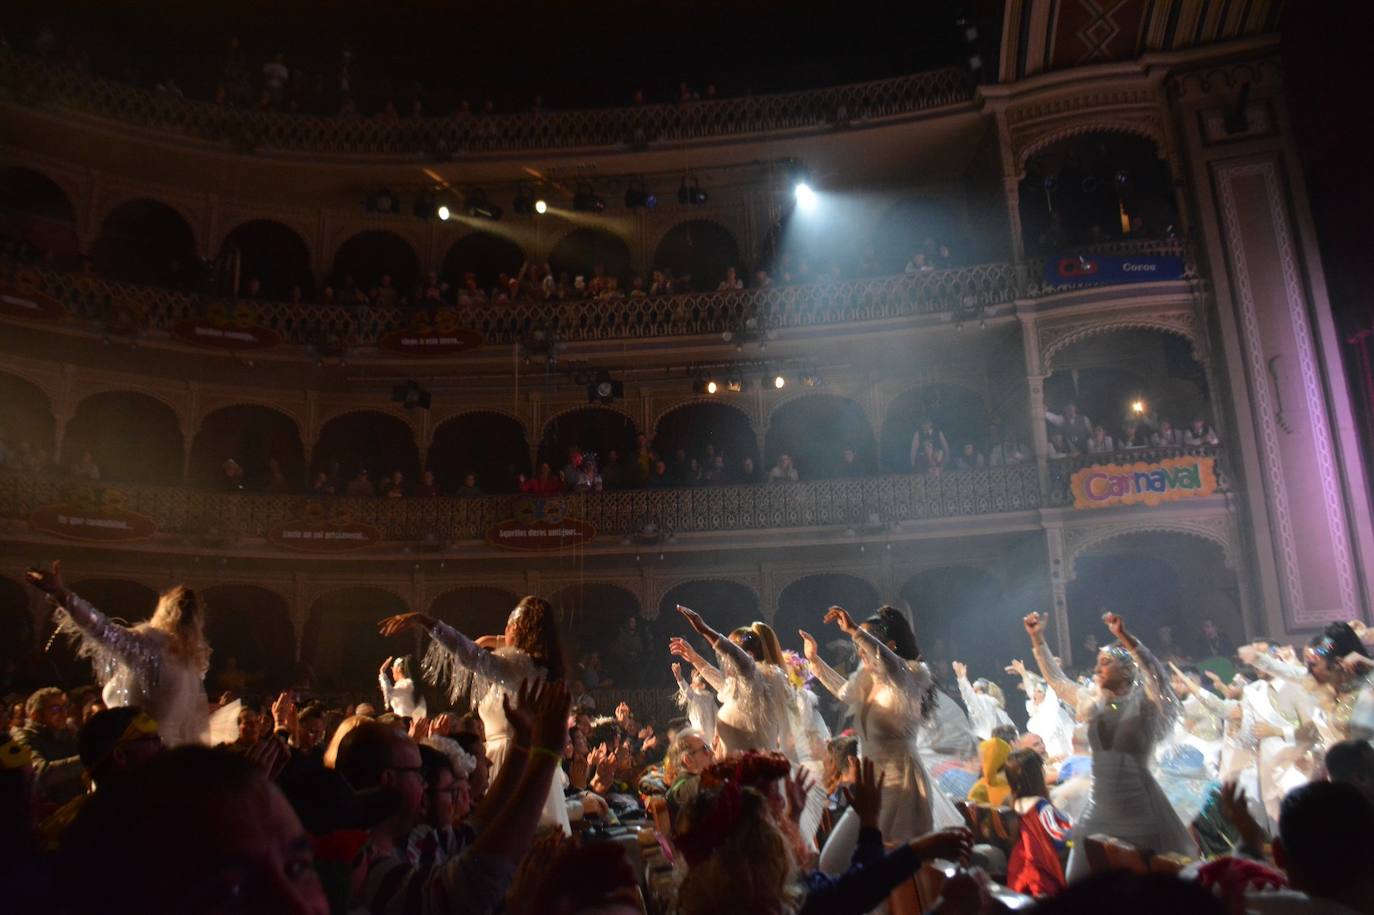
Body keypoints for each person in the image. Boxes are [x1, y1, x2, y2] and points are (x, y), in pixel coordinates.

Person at [1021, 610, 1196, 880]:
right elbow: (1057, 682)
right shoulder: (1093, 701)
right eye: (1097, 662)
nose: (1097, 668)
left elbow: (1156, 674)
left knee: (1153, 886)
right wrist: (1038, 640)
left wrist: (1125, 638)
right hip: (1101, 805)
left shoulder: (1146, 704)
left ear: (1126, 671)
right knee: (1077, 880)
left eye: (1105, 662)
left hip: (1141, 806)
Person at [378, 596, 571, 834]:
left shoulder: (514, 667)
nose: (502, 633)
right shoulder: (538, 668)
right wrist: (495, 640)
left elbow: (468, 652)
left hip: (508, 759)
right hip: (524, 758)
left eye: (508, 627)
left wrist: (427, 622)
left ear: (518, 629)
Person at [801, 605, 963, 876]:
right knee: (832, 862)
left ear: (887, 646)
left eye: (864, 644)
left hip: (902, 787)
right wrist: (815, 662)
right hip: (872, 789)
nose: (859, 651)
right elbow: (843, 690)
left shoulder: (909, 677)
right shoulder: (868, 681)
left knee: (899, 877)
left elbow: (893, 664)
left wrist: (854, 631)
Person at [26, 561, 232, 747]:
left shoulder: (149, 646)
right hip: (175, 756)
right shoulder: (192, 659)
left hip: (142, 751)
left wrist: (62, 594)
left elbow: (100, 628)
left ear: (163, 610)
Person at [670, 605, 792, 757]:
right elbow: (718, 680)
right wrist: (694, 658)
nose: (726, 659)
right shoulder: (742, 689)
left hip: (755, 772)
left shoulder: (760, 681)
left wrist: (705, 630)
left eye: (730, 652)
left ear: (749, 656)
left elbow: (738, 658)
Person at [1003, 747, 1072, 898]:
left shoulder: (1012, 803)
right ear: (1038, 774)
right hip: (1043, 872)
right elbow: (1061, 840)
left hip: (1020, 868)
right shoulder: (1041, 806)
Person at [9, 687, 83, 805]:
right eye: (55, 709)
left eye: (65, 707)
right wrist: (87, 758)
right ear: (35, 716)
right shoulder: (23, 737)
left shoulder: (66, 733)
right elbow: (41, 773)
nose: (64, 713)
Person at [952, 661, 1014, 739]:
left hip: (984, 740)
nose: (970, 688)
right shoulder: (993, 704)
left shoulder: (983, 700)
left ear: (978, 690)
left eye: (973, 688)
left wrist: (962, 678)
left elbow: (968, 695)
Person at [672, 661, 718, 748]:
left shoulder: (702, 698)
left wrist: (679, 677)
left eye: (694, 681)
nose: (691, 684)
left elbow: (687, 691)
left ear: (703, 685)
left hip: (705, 741)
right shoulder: (706, 699)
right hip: (706, 740)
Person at [379, 655, 428, 720]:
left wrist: (382, 672)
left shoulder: (407, 684)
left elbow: (388, 692)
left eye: (393, 668)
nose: (392, 670)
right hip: (406, 720)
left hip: (407, 721)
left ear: (398, 669)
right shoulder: (406, 684)